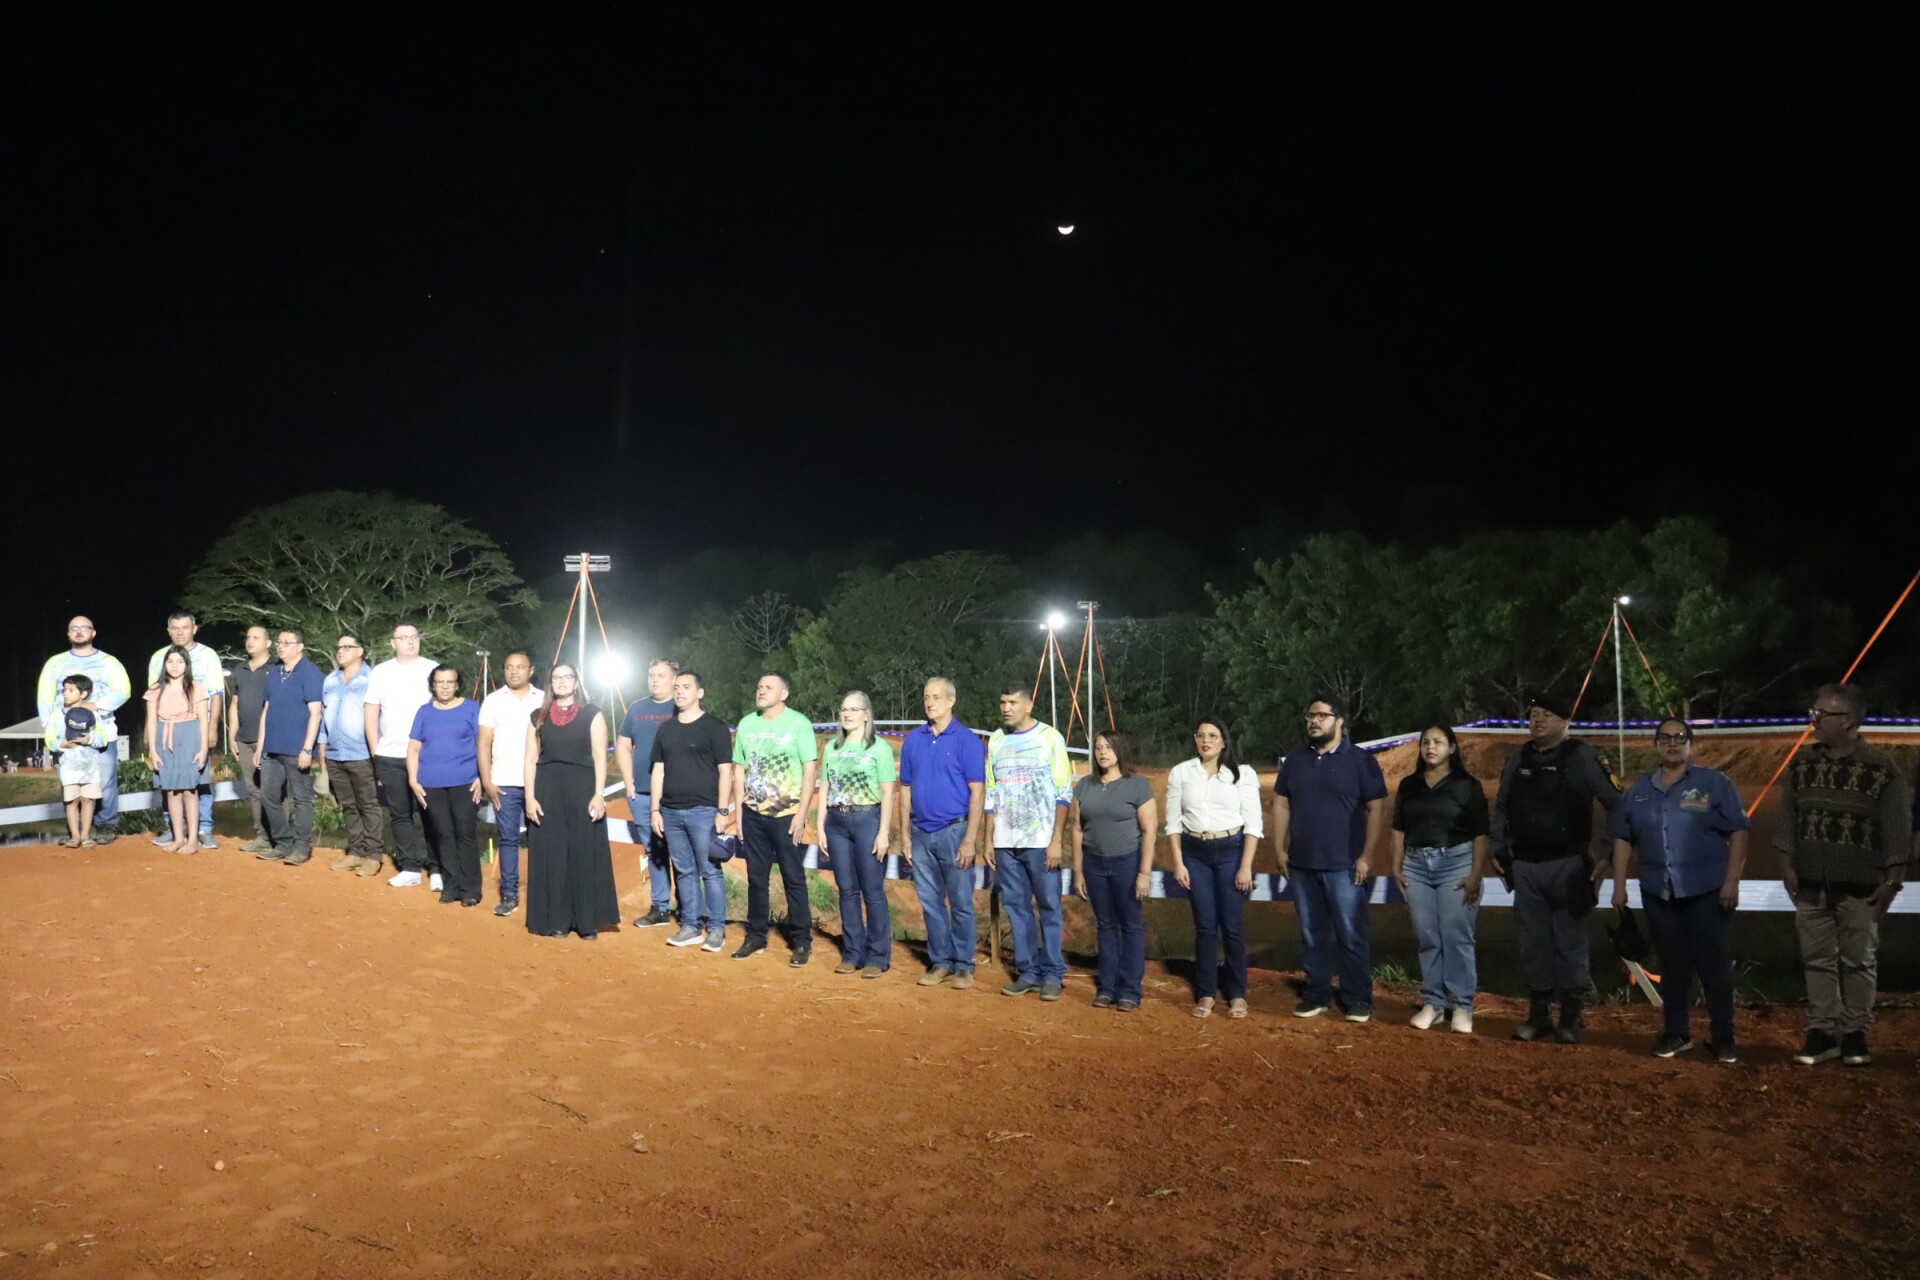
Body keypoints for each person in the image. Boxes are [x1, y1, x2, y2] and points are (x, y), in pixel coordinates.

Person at [1776, 684, 1910, 1068]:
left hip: (1861, 888)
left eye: (1821, 714)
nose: (1813, 720)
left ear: (1848, 721)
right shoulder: (1802, 765)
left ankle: (1855, 1033)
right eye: (1813, 712)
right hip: (1810, 885)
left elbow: (1897, 831)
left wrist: (1892, 882)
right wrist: (1785, 864)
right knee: (1816, 960)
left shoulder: (1882, 769)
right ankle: (1822, 1031)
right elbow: (1787, 818)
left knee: (1858, 962)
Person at [1609, 718, 1748, 1063]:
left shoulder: (1714, 783)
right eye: (1665, 738)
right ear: (1656, 744)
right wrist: (1619, 886)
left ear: (1691, 744)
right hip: (1659, 892)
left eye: (1680, 737)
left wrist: (1732, 881)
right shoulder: (1639, 791)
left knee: (1713, 966)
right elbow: (1624, 837)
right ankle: (1677, 1032)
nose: (1673, 743)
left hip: (1706, 891)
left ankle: (1723, 1037)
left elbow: (1739, 831)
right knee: (1673, 966)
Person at [1490, 693, 1621, 1044]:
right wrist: (1496, 848)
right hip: (1526, 867)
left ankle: (1571, 1015)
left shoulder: (1583, 757)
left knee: (1570, 942)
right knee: (1533, 944)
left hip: (1569, 866)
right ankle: (1539, 1015)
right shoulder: (1518, 758)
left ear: (1565, 722)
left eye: (1546, 714)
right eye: (1534, 714)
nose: (1537, 720)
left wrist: (1607, 853)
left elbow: (1617, 804)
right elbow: (1501, 807)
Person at [1273, 696, 1389, 1023]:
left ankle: (1357, 998)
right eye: (1310, 715)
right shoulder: (1295, 761)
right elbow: (1281, 804)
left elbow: (1377, 808)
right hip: (1302, 865)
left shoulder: (1361, 761)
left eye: (1322, 715)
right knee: (1312, 935)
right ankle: (1317, 995)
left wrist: (1367, 855)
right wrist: (1279, 848)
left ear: (1340, 721)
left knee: (1351, 934)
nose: (1314, 720)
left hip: (1346, 867)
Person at [1390, 724, 1491, 1034]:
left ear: (1452, 748)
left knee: (1457, 936)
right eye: (1425, 742)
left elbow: (1481, 833)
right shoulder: (1409, 785)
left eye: (1438, 742)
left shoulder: (1467, 786)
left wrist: (1476, 873)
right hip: (1416, 867)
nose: (1430, 747)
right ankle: (1433, 1003)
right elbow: (1398, 829)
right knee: (1427, 936)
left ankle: (1462, 1005)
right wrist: (1396, 866)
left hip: (1456, 865)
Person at [1166, 717, 1263, 1018]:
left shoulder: (1242, 774)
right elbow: (1173, 823)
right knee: (1205, 926)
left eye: (1212, 735)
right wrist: (1179, 862)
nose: (1206, 741)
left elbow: (1253, 824)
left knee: (1232, 925)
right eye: (1201, 735)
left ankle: (1237, 993)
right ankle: (1206, 992)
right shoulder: (1181, 772)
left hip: (1231, 850)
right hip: (1194, 853)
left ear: (1223, 741)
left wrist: (1245, 866)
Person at [986, 684, 1074, 1002]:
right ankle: (1028, 972)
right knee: (1016, 908)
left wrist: (1055, 840)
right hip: (1005, 843)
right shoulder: (996, 740)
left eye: (1012, 702)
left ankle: (1052, 974)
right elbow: (991, 793)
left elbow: (1064, 793)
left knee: (1049, 907)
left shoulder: (1050, 738)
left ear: (1028, 705)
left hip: (1041, 842)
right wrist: (989, 839)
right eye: (1002, 702)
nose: (1006, 708)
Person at [898, 677, 987, 989]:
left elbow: (978, 793)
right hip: (921, 834)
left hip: (955, 831)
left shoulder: (967, 741)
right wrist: (905, 834)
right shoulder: (913, 740)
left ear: (952, 701)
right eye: (926, 696)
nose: (930, 702)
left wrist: (970, 839)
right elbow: (904, 790)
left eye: (936, 697)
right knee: (930, 903)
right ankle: (941, 962)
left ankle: (963, 965)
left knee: (961, 902)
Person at [524, 664, 620, 940]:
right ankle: (557, 920)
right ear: (550, 683)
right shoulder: (538, 716)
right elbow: (530, 759)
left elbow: (600, 756)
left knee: (583, 852)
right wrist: (530, 797)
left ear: (576, 682)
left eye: (567, 677)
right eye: (556, 678)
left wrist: (599, 794)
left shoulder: (593, 714)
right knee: (552, 855)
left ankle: (587, 922)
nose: (562, 682)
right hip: (548, 791)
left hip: (582, 790)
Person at [731, 672, 819, 964]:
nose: (761, 690)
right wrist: (739, 813)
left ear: (784, 694)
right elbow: (739, 770)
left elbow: (810, 771)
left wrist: (801, 814)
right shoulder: (747, 724)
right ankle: (756, 937)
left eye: (769, 687)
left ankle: (802, 941)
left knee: (793, 878)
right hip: (753, 815)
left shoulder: (799, 724)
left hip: (787, 816)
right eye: (759, 686)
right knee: (757, 878)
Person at [649, 670, 735, 953]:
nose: (680, 691)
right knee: (684, 871)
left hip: (704, 811)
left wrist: (723, 810)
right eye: (676, 687)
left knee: (710, 871)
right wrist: (655, 809)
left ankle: (717, 929)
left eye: (686, 687)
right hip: (671, 812)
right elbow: (658, 770)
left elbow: (726, 771)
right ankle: (691, 926)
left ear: (700, 692)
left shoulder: (714, 727)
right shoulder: (666, 729)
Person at [1073, 729, 1158, 1012]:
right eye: (1098, 747)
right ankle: (1107, 987)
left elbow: (1149, 829)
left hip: (1127, 863)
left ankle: (1130, 989)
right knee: (1106, 925)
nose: (1102, 752)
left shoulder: (1137, 785)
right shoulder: (1085, 786)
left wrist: (1144, 873)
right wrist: (1078, 871)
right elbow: (1076, 829)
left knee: (1130, 925)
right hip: (1094, 864)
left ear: (1120, 751)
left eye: (1108, 747)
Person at [814, 690, 897, 977]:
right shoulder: (832, 748)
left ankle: (878, 957)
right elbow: (824, 788)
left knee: (872, 891)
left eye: (853, 709)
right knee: (847, 889)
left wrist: (883, 832)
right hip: (837, 823)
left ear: (866, 714)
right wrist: (820, 827)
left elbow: (888, 792)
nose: (847, 714)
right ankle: (852, 953)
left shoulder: (879, 748)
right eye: (844, 709)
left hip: (867, 820)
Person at [36, 617, 131, 844]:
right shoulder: (55, 663)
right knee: (70, 783)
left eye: (84, 628)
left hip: (101, 733)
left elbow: (123, 691)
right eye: (74, 628)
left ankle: (106, 826)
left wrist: (95, 706)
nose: (79, 632)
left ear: (93, 633)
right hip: (65, 737)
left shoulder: (109, 662)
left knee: (104, 782)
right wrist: (51, 731)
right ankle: (75, 831)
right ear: (68, 633)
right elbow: (45, 698)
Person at [364, 622, 439, 889]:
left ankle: (437, 868)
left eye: (414, 636)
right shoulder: (381, 672)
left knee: (431, 812)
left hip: (426, 756)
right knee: (400, 814)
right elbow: (371, 710)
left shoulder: (432, 668)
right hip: (390, 755)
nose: (410, 641)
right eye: (404, 637)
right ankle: (410, 867)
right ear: (393, 643)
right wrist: (376, 750)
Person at [145, 612, 226, 850]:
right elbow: (152, 713)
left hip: (192, 733)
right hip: (165, 735)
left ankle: (202, 830)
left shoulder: (207, 657)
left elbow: (216, 694)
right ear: (169, 630)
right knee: (170, 788)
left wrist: (212, 728)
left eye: (185, 627)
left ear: (194, 629)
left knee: (195, 786)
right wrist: (150, 743)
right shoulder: (158, 658)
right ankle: (175, 832)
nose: (180, 632)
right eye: (175, 627)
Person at [408, 664, 484, 907]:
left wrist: (482, 777)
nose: (444, 687)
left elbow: (483, 745)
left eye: (449, 682)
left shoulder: (471, 709)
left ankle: (470, 889)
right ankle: (450, 886)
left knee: (465, 834)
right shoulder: (424, 712)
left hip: (465, 782)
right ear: (433, 685)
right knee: (443, 834)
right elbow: (414, 748)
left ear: (457, 684)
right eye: (439, 682)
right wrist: (413, 780)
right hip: (431, 784)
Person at [477, 651, 544, 917]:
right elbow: (484, 743)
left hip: (538, 784)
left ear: (531, 671)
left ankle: (542, 894)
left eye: (520, 667)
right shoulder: (493, 700)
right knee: (508, 840)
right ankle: (510, 895)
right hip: (504, 784)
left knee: (541, 840)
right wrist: (486, 780)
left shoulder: (544, 699)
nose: (514, 671)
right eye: (509, 667)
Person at [253, 628, 325, 866]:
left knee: (301, 799)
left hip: (297, 749)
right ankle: (283, 843)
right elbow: (266, 710)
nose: (280, 646)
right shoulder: (274, 673)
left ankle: (302, 847)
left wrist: (307, 749)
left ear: (300, 647)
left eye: (287, 642)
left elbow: (316, 714)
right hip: (272, 748)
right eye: (279, 642)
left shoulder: (310, 673)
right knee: (268, 796)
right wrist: (260, 746)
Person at [617, 659, 681, 929]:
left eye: (661, 675)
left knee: (681, 852)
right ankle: (660, 907)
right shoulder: (637, 708)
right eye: (651, 675)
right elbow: (622, 746)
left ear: (674, 679)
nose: (655, 679)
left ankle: (688, 908)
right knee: (654, 851)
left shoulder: (681, 707)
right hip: (642, 794)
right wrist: (628, 782)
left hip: (676, 795)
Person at [318, 634, 382, 876]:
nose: (341, 651)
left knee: (368, 805)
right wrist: (322, 747)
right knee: (348, 806)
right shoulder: (330, 680)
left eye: (347, 647)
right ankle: (355, 852)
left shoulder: (372, 679)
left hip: (362, 753)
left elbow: (380, 716)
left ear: (360, 651)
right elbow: (324, 716)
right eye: (339, 647)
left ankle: (373, 855)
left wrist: (378, 752)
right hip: (335, 754)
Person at [143, 644, 213, 855]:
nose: (175, 666)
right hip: (164, 740)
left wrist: (203, 749)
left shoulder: (196, 687)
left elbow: (204, 720)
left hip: (190, 738)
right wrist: (153, 751)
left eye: (180, 662)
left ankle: (192, 840)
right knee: (171, 791)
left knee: (190, 791)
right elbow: (151, 721)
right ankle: (178, 837)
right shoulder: (155, 689)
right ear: (165, 664)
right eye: (171, 661)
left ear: (186, 664)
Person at [226, 626, 275, 852]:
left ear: (268, 643)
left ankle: (280, 838)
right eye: (248, 637)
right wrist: (232, 736)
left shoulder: (277, 668)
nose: (250, 641)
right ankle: (262, 837)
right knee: (254, 790)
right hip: (245, 740)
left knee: (274, 791)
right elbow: (234, 705)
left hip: (271, 741)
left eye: (256, 638)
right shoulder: (240, 670)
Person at [50, 674, 109, 847]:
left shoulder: (93, 715)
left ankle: (86, 836)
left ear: (83, 694)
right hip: (68, 766)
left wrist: (91, 739)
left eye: (71, 690)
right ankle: (74, 836)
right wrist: (61, 745)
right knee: (71, 800)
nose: (65, 694)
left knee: (88, 799)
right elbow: (49, 739)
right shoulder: (56, 716)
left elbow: (103, 738)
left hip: (90, 767)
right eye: (64, 690)